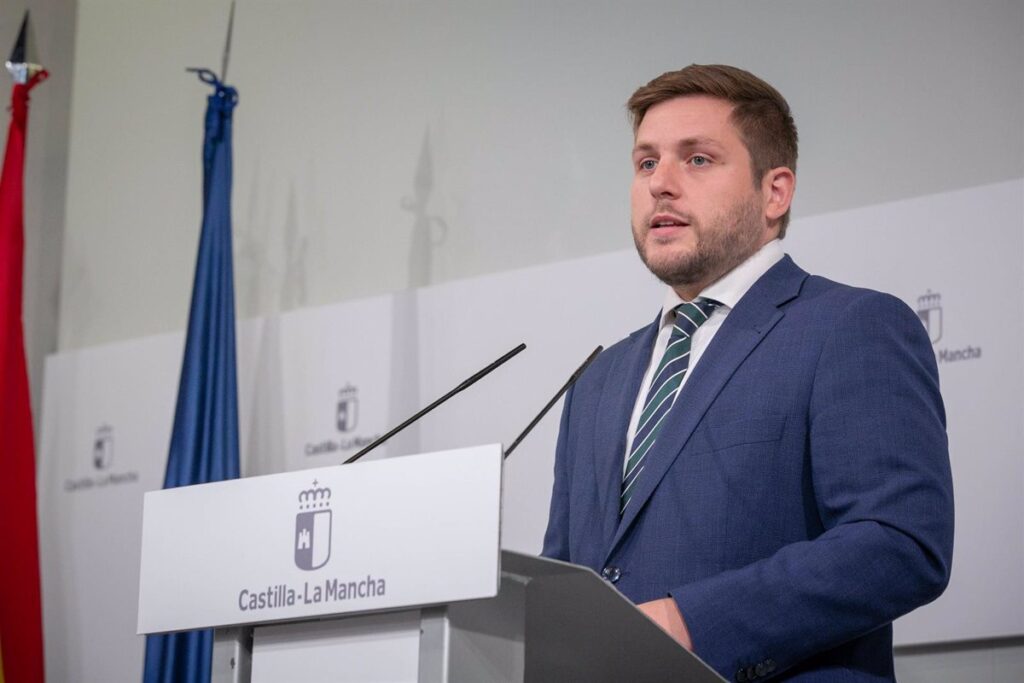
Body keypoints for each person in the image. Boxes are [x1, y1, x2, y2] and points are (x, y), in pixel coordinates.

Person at [541, 64, 954, 682]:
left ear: (775, 192)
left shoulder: (851, 327)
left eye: (698, 160)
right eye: (646, 163)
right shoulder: (596, 382)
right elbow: (566, 582)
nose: (661, 185)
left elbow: (899, 543)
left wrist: (691, 622)